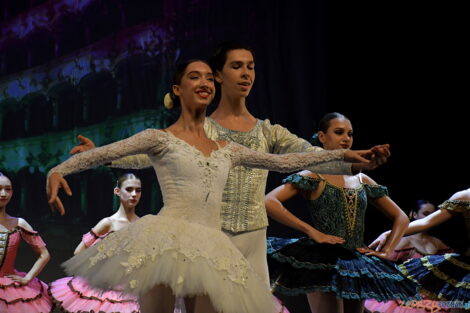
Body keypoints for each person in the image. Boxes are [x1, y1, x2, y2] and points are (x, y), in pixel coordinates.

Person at [69, 41, 391, 298]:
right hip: (209, 235)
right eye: (237, 66)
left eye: (251, 67)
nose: (246, 73)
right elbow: (149, 157)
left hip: (253, 236)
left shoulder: (268, 131)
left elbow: (310, 155)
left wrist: (353, 160)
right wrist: (102, 155)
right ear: (219, 75)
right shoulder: (201, 129)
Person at [263, 113, 418, 313]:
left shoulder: (362, 180)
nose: (346, 138)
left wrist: (387, 251)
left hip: (355, 261)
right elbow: (269, 201)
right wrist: (311, 231)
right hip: (322, 263)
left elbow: (401, 217)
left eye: (350, 134)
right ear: (322, 136)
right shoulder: (313, 175)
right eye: (339, 132)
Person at [48, 173, 141, 313]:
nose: (134, 194)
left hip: (131, 287)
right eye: (129, 189)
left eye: (138, 190)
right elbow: (78, 252)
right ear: (117, 191)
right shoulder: (108, 223)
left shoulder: (142, 224)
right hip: (106, 286)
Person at [370, 188, 470, 312]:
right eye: (425, 212)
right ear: (414, 214)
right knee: (462, 306)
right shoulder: (466, 196)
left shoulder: (437, 243)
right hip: (466, 270)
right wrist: (390, 233)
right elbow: (426, 222)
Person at [0, 172, 52, 313]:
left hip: (9, 288)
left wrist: (28, 278)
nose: (3, 193)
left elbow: (44, 254)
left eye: (8, 189)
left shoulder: (19, 223)